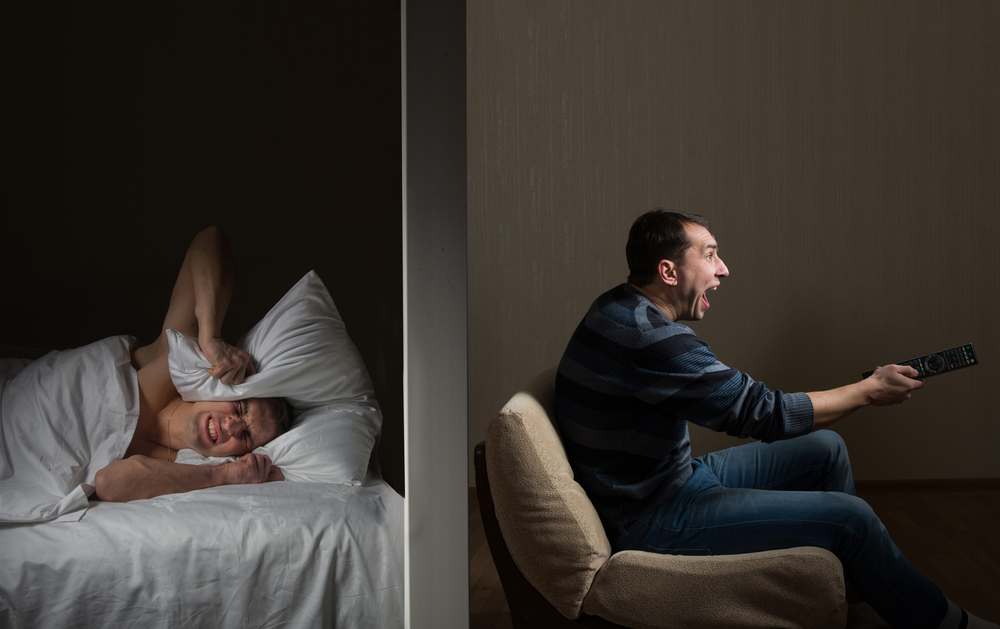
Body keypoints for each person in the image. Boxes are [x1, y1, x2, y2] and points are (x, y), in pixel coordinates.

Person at [554, 209, 997, 629]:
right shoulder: (651, 338)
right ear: (669, 272)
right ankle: (945, 622)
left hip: (672, 478)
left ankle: (861, 590)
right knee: (850, 518)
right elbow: (765, 414)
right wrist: (868, 391)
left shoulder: (619, 305)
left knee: (826, 450)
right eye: (709, 255)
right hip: (654, 517)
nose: (723, 269)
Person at [93, 226, 291, 503]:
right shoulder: (168, 364)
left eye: (246, 436)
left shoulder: (181, 468)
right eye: (240, 408)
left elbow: (108, 483)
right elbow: (211, 240)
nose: (232, 427)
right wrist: (211, 336)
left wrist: (226, 475)